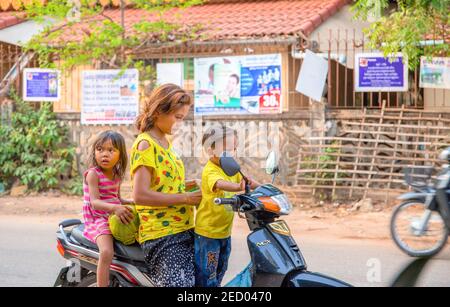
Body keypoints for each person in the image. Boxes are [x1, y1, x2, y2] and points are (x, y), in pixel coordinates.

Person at [131, 83, 202, 287]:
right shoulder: (145, 144)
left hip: (183, 228)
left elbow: (164, 184)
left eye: (183, 118)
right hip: (163, 235)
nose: (180, 123)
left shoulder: (165, 143)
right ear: (159, 111)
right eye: (177, 117)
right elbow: (141, 195)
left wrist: (192, 185)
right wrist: (186, 198)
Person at [194, 126, 260, 287]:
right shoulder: (210, 170)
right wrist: (238, 187)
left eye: (234, 149)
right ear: (211, 150)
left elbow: (245, 181)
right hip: (208, 234)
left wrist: (260, 187)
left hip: (224, 232)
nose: (232, 153)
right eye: (228, 149)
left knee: (221, 270)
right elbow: (219, 183)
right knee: (207, 275)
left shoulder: (231, 168)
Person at [82, 130, 134, 287]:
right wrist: (116, 208)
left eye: (111, 150)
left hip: (112, 214)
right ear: (94, 152)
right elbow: (95, 202)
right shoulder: (93, 174)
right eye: (100, 149)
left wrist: (132, 203)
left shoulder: (117, 174)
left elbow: (118, 199)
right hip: (97, 217)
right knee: (107, 252)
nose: (105, 154)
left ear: (120, 154)